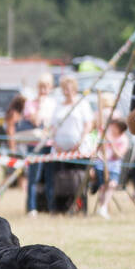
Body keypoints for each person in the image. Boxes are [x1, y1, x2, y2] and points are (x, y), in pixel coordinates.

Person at [45, 74, 94, 214]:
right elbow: (52, 126)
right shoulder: (58, 105)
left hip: (79, 150)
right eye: (64, 87)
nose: (66, 90)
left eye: (69, 86)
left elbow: (88, 124)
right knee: (61, 180)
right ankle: (61, 208)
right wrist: (55, 144)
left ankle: (80, 207)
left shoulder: (82, 103)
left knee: (79, 179)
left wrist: (79, 143)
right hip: (60, 151)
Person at [24, 74, 57, 214]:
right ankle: (32, 207)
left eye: (46, 87)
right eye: (41, 87)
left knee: (50, 176)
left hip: (50, 144)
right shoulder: (30, 103)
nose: (43, 90)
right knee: (34, 177)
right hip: (35, 144)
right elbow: (36, 121)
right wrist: (40, 105)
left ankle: (51, 206)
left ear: (50, 88)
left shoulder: (54, 103)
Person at [94, 118, 130, 219]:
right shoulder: (105, 135)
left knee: (111, 184)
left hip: (114, 167)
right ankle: (102, 208)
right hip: (101, 164)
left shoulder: (124, 140)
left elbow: (119, 155)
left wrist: (111, 144)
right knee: (102, 186)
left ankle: (103, 207)